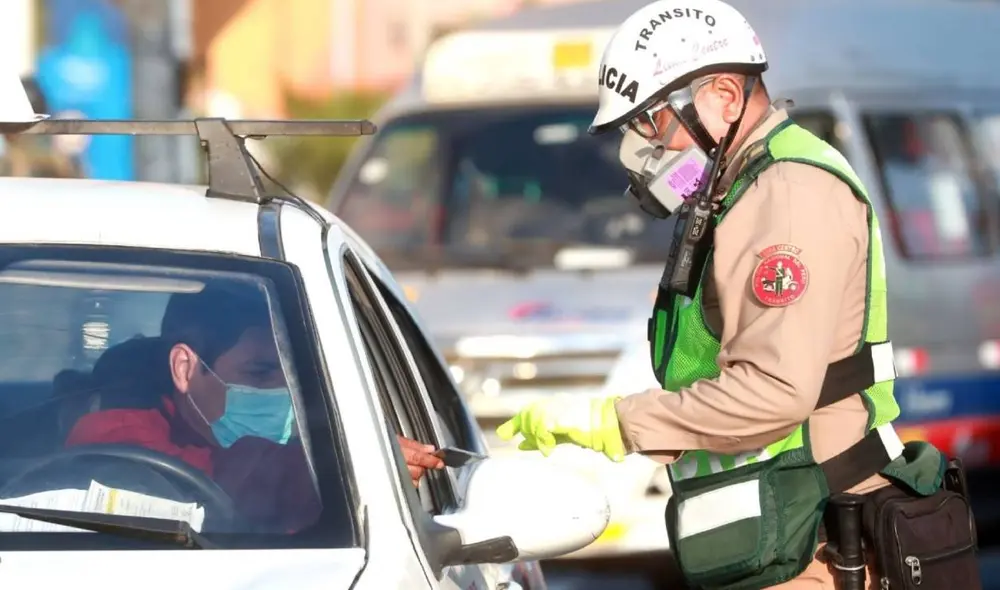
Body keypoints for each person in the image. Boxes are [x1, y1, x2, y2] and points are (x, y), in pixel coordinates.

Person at [497, 1, 978, 589]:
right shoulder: (741, 188)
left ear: (725, 96)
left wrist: (619, 422)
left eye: (651, 122)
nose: (641, 148)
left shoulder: (787, 192)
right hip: (786, 529)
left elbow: (773, 390)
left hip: (820, 542)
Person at [65, 283, 444, 531]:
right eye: (260, 372)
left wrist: (371, 462)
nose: (282, 393)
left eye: (293, 377)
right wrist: (344, 469)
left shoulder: (321, 428)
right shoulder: (115, 434)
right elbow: (249, 477)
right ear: (185, 369)